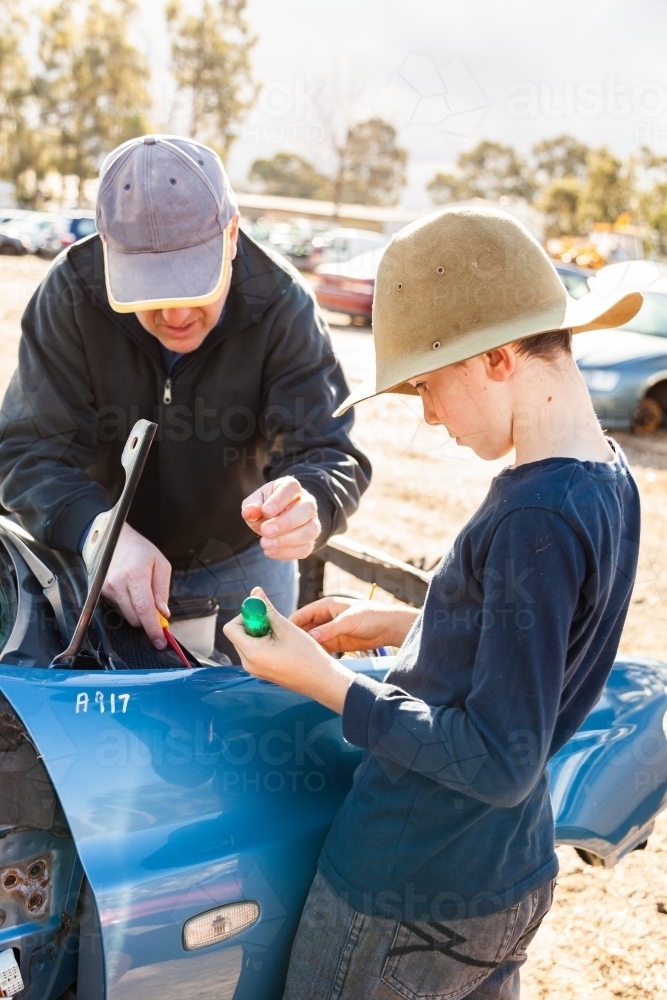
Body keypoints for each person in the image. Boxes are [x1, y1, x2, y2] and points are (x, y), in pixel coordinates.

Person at [223, 208, 643, 998]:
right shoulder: (605, 479)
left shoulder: (531, 514)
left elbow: (496, 758)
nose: (426, 414)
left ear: (494, 359)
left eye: (426, 383)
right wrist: (410, 624)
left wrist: (318, 677)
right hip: (507, 879)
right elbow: (540, 652)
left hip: (408, 886)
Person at [0, 135, 370, 659]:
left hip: (241, 566)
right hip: (98, 559)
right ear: (109, 253)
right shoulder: (70, 296)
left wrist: (312, 500)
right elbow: (28, 453)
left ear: (232, 234)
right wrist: (100, 533)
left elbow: (328, 451)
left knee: (246, 723)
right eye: (149, 293)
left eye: (196, 287)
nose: (175, 316)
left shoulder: (283, 305)